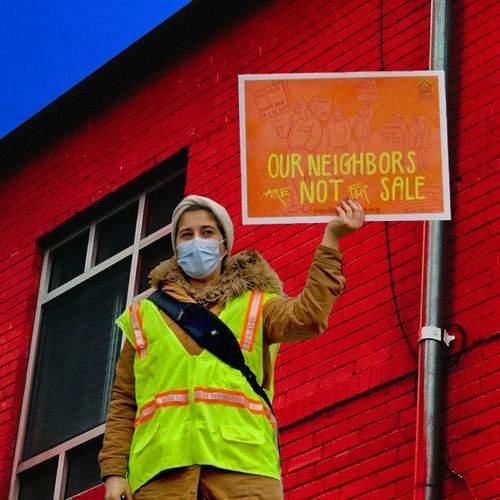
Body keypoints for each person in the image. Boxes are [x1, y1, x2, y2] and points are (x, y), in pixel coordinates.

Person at [99, 194, 364, 499]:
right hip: (162, 478)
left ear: (224, 245)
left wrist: (332, 239)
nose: (196, 241)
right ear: (176, 248)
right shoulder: (142, 315)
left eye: (207, 232)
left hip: (244, 473)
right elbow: (123, 401)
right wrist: (115, 472)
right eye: (187, 235)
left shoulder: (257, 305)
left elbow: (310, 316)